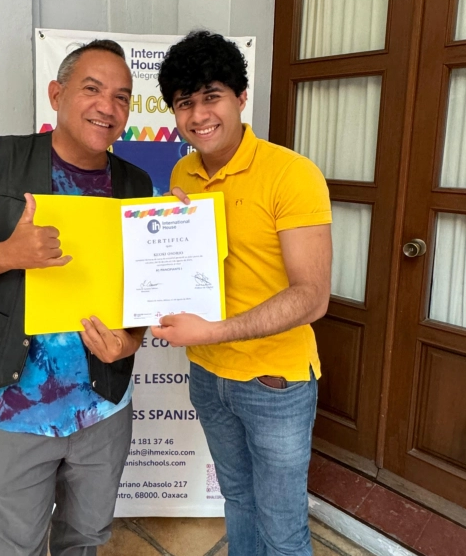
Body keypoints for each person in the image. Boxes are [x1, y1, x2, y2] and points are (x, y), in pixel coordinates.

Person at [0, 39, 152, 556]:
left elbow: (142, 290)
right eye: (92, 89)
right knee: (16, 546)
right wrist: (7, 253)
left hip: (104, 406)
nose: (108, 106)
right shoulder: (2, 161)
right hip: (16, 407)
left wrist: (131, 341)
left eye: (121, 96)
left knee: (85, 539)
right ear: (56, 94)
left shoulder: (135, 184)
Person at [154, 31, 332, 556]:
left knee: (282, 528)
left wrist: (212, 331)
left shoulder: (291, 174)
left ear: (241, 97)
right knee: (237, 501)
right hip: (208, 375)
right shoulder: (184, 172)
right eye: (184, 102)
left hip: (273, 381)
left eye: (211, 96)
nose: (199, 114)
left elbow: (312, 297)